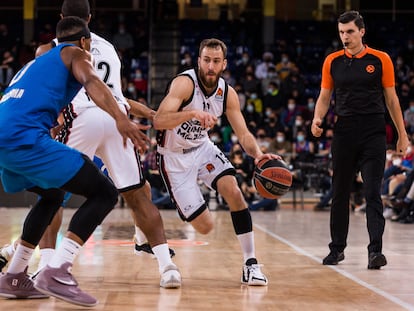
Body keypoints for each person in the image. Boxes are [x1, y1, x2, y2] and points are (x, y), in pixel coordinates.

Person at [0, 0, 180, 290]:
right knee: (137, 194)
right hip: (114, 117)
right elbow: (114, 94)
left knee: (53, 193)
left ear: (61, 19)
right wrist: (127, 117)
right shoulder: (109, 48)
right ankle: (167, 266)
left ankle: (46, 266)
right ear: (90, 18)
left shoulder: (49, 51)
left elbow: (74, 92)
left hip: (80, 118)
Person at [153, 38, 281, 286]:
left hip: (202, 149)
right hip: (173, 158)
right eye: (206, 60)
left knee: (234, 191)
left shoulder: (227, 93)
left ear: (224, 64)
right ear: (198, 60)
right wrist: (191, 113)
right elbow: (159, 121)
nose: (210, 66)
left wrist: (257, 154)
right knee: (205, 227)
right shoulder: (184, 84)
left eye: (215, 61)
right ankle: (149, 235)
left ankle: (251, 264)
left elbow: (243, 133)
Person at [311, 11, 410, 269]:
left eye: (350, 32)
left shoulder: (380, 59)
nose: (345, 37)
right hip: (344, 131)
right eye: (342, 32)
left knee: (372, 191)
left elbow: (391, 99)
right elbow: (324, 97)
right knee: (340, 192)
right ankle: (337, 249)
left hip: (373, 131)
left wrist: (402, 134)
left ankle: (375, 252)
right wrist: (316, 119)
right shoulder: (332, 61)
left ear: (362, 32)